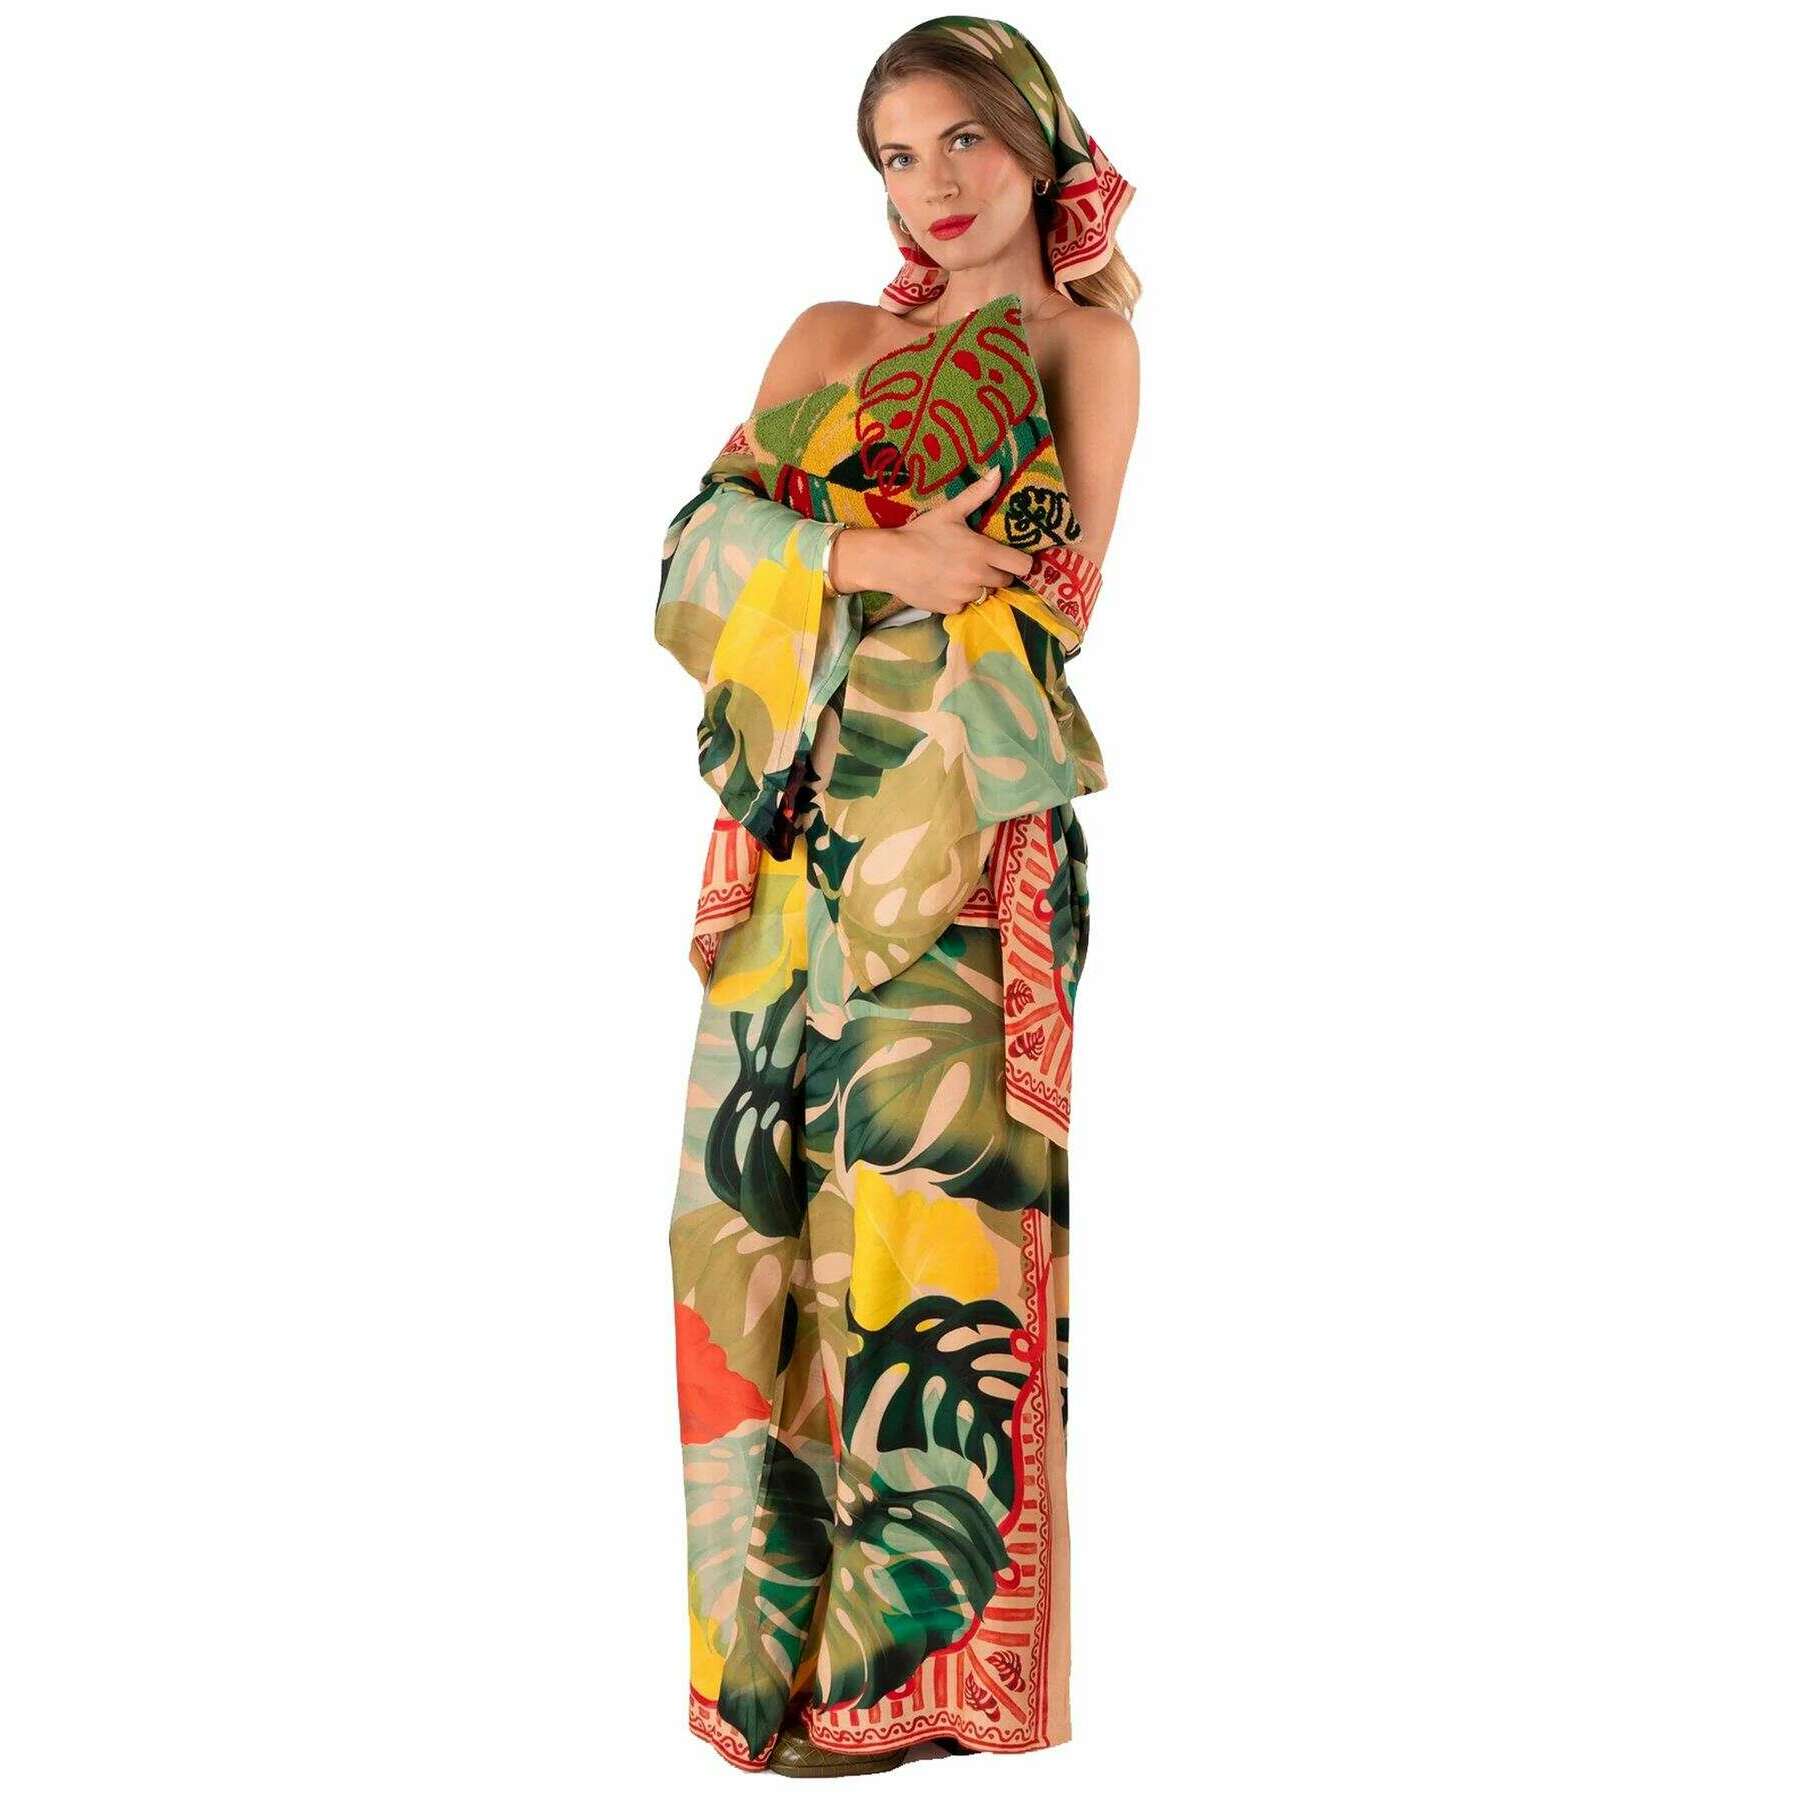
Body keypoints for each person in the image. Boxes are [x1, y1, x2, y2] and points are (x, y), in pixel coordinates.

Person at [657, 16, 1140, 1777]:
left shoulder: (1085, 350)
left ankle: (927, 1685)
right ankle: (774, 1682)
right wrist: (883, 551)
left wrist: (841, 545)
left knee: (933, 1246)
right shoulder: (827, 340)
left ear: (1038, 141)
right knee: (734, 1243)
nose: (928, 185)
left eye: (960, 142)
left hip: (959, 856)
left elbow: (1053, 596)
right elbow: (687, 564)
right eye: (894, 155)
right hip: (789, 854)